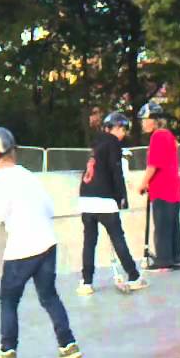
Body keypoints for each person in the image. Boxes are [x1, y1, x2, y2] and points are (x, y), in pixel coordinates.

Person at [0, 126, 81, 358]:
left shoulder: (1, 180)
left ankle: (7, 349)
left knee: (9, 299)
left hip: (22, 249)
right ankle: (68, 344)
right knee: (48, 296)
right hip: (47, 243)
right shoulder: (28, 175)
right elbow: (49, 208)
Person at [77, 112, 147, 295]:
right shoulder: (113, 143)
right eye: (121, 128)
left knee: (89, 241)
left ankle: (86, 282)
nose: (123, 133)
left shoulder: (96, 144)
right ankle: (133, 276)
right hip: (103, 198)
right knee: (117, 237)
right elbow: (116, 171)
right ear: (112, 128)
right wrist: (121, 197)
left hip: (85, 197)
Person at [136, 101, 180, 268]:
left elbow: (153, 164)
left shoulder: (157, 136)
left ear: (154, 120)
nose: (142, 123)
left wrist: (143, 183)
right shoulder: (169, 135)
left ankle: (164, 259)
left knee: (162, 225)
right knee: (172, 224)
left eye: (144, 119)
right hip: (173, 187)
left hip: (163, 188)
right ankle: (176, 255)